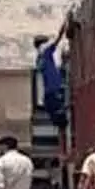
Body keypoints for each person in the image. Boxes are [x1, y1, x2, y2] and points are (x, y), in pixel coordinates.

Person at [34, 21, 69, 155]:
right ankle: (63, 151)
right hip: (54, 92)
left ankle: (62, 151)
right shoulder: (46, 54)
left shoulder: (40, 59)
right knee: (63, 122)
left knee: (60, 125)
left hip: (49, 95)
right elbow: (57, 40)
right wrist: (64, 26)